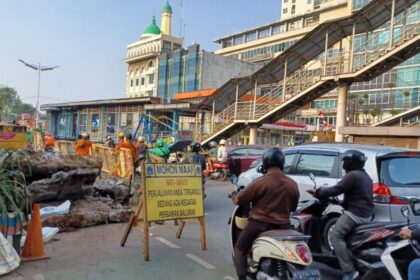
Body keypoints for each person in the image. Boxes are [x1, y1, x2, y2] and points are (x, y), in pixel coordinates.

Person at [229, 147, 299, 280]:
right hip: (284, 227)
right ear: (282, 163)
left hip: (259, 225)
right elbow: (293, 207)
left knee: (240, 248)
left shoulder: (260, 182)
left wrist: (233, 194)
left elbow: (240, 200)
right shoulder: (292, 184)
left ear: (265, 163)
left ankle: (242, 277)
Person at [307, 150, 374, 280]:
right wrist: (340, 202)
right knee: (345, 239)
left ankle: (349, 271)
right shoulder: (365, 176)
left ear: (351, 162)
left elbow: (336, 189)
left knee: (335, 236)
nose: (344, 163)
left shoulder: (352, 176)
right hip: (365, 213)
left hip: (355, 214)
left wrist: (318, 192)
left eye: (345, 161)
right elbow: (358, 197)